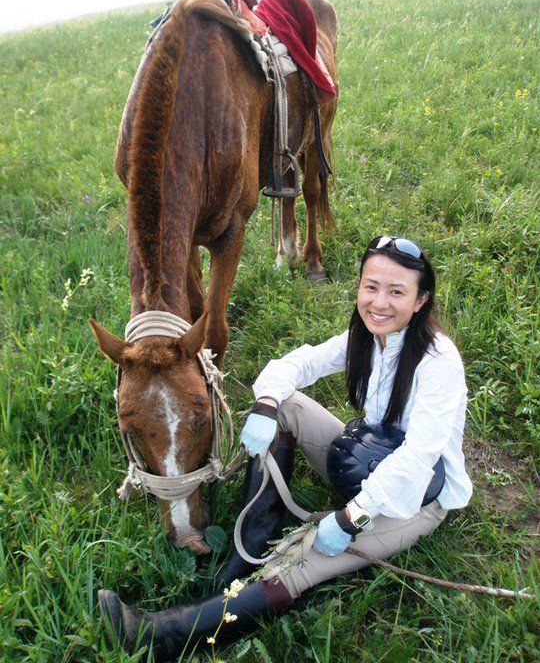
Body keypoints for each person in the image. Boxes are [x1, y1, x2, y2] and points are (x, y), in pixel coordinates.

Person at [99, 235, 473, 662]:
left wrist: (352, 518)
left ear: (421, 300)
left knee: (305, 560)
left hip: (416, 500)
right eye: (371, 287)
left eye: (396, 292)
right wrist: (264, 405)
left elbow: (417, 460)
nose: (379, 303)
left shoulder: (438, 361)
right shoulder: (370, 336)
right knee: (285, 406)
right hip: (366, 458)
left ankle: (161, 636)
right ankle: (249, 548)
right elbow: (298, 364)